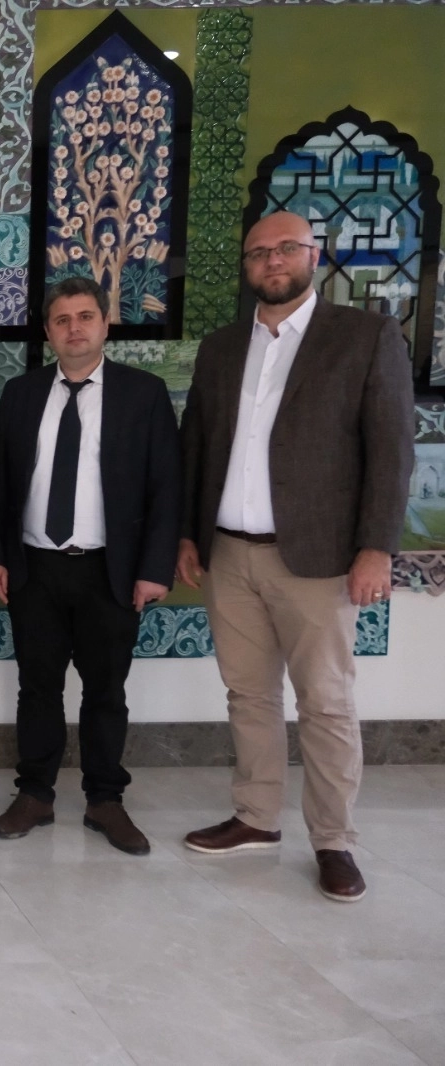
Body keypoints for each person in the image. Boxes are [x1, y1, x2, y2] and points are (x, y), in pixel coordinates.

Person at [176, 211, 414, 903]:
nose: (272, 261)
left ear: (314, 255)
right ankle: (256, 817)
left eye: (286, 248)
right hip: (229, 552)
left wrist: (377, 547)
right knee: (249, 694)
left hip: (320, 557)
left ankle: (334, 840)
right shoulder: (223, 347)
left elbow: (392, 449)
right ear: (247, 266)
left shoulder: (364, 337)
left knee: (326, 702)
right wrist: (188, 534)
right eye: (259, 253)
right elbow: (198, 444)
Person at [0, 277, 181, 855]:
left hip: (109, 572)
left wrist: (154, 568)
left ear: (105, 322)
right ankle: (34, 794)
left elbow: (166, 488)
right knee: (37, 688)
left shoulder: (143, 394)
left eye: (85, 316)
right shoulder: (21, 393)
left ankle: (105, 800)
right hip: (34, 569)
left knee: (106, 690)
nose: (74, 328)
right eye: (62, 319)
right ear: (48, 330)